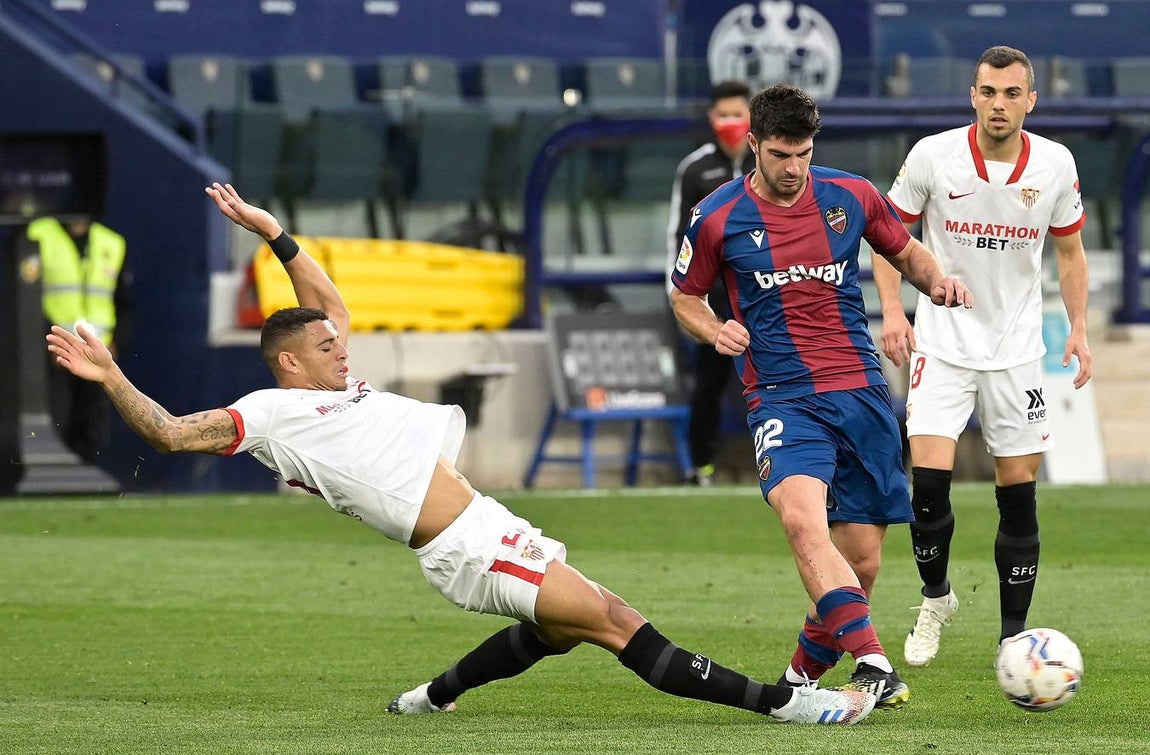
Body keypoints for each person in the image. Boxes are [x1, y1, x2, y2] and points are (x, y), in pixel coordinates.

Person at [45, 182, 876, 726]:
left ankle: (432, 695)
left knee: (556, 632)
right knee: (618, 622)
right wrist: (112, 373)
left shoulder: (326, 382)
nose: (343, 345)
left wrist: (276, 235)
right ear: (290, 360)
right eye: (327, 345)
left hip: (483, 520)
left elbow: (325, 300)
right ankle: (790, 705)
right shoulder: (267, 411)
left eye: (340, 341)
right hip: (463, 547)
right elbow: (165, 431)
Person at [669, 84, 974, 708]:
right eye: (781, 154)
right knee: (804, 523)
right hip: (781, 397)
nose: (794, 168)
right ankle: (875, 663)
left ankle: (798, 681)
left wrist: (938, 282)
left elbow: (905, 251)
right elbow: (683, 297)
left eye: (804, 153)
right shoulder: (717, 216)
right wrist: (714, 325)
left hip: (860, 392)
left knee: (860, 565)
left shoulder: (851, 195)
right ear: (754, 144)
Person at [873, 45, 1092, 667]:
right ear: (974, 95)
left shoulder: (1055, 164)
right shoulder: (933, 156)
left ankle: (1013, 638)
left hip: (1017, 349)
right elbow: (890, 239)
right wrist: (893, 313)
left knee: (1017, 489)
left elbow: (1071, 254)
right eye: (988, 93)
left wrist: (1078, 328)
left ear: (1031, 100)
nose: (999, 105)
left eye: (1011, 94)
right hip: (941, 344)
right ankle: (936, 598)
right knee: (928, 486)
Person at [666, 80, 756, 487]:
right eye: (723, 115)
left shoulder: (769, 162)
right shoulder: (695, 168)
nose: (730, 123)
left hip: (765, 294)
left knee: (781, 381)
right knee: (709, 386)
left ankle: (791, 467)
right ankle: (700, 466)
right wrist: (684, 294)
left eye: (738, 114)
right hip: (714, 301)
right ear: (711, 119)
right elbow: (678, 234)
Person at [26, 215, 132, 464]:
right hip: (55, 351)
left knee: (92, 420)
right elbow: (26, 298)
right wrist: (46, 342)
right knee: (56, 415)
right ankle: (53, 474)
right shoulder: (38, 235)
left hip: (98, 353)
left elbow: (124, 301)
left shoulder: (112, 242)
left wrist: (117, 342)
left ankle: (87, 473)